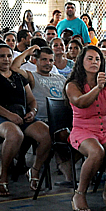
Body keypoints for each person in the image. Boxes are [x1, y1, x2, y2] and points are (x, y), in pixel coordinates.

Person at [64, 46, 106, 211]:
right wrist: (97, 88)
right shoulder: (73, 85)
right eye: (89, 59)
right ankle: (79, 193)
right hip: (83, 129)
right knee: (97, 152)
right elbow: (81, 103)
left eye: (97, 59)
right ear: (81, 62)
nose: (94, 62)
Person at [10, 45, 72, 184]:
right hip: (41, 120)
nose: (47, 63)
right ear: (35, 61)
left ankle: (68, 172)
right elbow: (14, 68)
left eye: (50, 60)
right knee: (59, 134)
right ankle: (37, 169)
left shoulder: (60, 78)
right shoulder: (31, 76)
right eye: (43, 59)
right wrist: (28, 51)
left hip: (61, 120)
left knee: (69, 134)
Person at [0, 43, 52, 196]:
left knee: (47, 134)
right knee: (15, 135)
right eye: (1, 56)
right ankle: (2, 177)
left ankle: (34, 170)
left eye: (9, 56)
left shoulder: (18, 77)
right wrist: (9, 115)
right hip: (2, 116)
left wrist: (33, 111)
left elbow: (31, 99)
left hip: (22, 116)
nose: (6, 59)